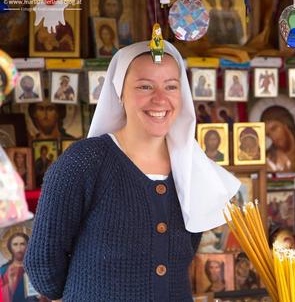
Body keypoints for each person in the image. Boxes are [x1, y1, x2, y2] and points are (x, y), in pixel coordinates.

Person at [24, 41, 240, 301]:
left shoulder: (194, 168)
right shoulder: (83, 163)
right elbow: (44, 268)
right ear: (119, 93)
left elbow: (182, 256)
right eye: (145, 86)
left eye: (171, 86)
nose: (160, 99)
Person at [261, 106, 295, 172]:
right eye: (268, 134)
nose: (272, 137)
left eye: (274, 129)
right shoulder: (269, 158)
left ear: (286, 124)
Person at [1, 232, 31, 302]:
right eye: (15, 244)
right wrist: (10, 284)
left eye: (22, 244)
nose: (19, 248)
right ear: (10, 247)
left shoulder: (34, 268)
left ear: (27, 246)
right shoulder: (3, 270)